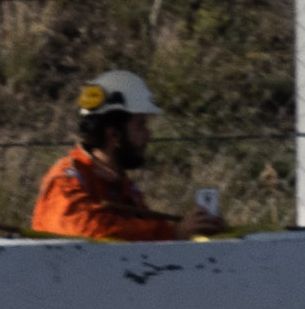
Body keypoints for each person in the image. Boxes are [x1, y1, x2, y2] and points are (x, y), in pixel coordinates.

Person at [29, 73, 221, 243]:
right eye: (140, 125)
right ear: (114, 135)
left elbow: (143, 237)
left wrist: (194, 229)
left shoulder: (123, 188)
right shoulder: (65, 179)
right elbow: (89, 230)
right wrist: (173, 233)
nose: (148, 136)